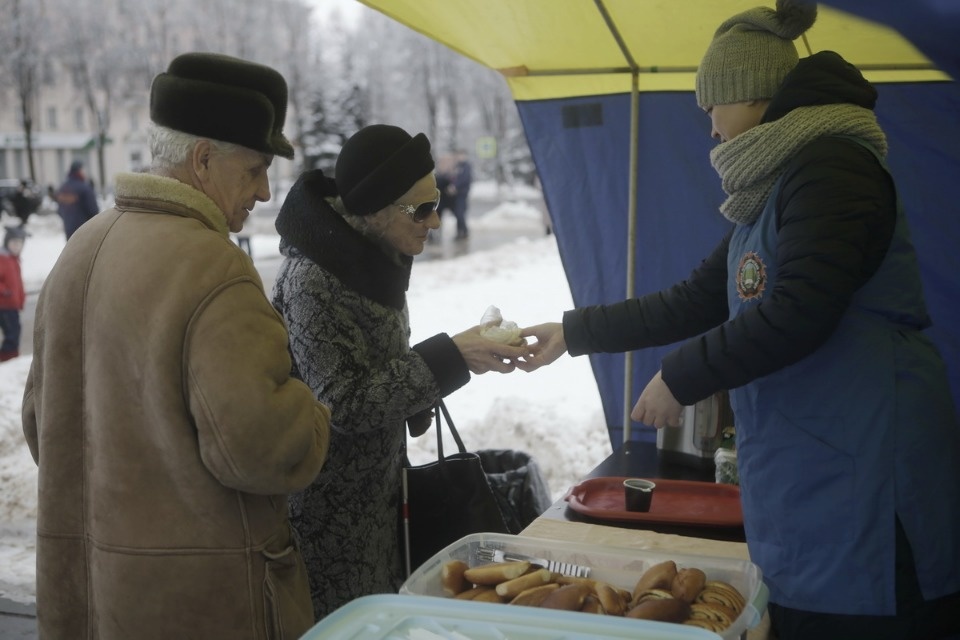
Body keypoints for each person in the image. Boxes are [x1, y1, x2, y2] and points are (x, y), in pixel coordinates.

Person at [517, 2, 960, 639]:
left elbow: (801, 309)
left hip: (868, 459)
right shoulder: (778, 187)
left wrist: (679, 377)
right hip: (813, 460)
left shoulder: (834, 168)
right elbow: (695, 298)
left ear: (751, 94)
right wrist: (573, 332)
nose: (711, 129)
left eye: (712, 107)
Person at [21, 52, 332, 640]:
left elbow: (43, 426)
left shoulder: (81, 247)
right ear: (203, 158)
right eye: (255, 169)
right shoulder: (214, 267)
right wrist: (313, 414)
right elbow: (262, 450)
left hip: (90, 597)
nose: (265, 192)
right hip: (202, 604)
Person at [271, 124, 530, 619]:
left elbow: (378, 360)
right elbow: (343, 404)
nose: (435, 221)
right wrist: (452, 357)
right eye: (421, 209)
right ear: (375, 210)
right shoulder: (313, 280)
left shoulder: (373, 255)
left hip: (379, 495)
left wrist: (440, 373)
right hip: (329, 517)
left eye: (437, 202)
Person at [0, 226, 27, 361]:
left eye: (19, 243)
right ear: (7, 242)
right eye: (14, 243)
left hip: (12, 305)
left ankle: (13, 356)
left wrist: (21, 298)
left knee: (16, 329)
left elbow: (18, 283)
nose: (16, 246)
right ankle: (7, 357)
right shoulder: (3, 259)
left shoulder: (14, 260)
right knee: (11, 332)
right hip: (3, 304)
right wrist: (5, 291)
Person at [55, 159, 99, 239]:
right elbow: (93, 211)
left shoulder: (62, 188)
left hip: (68, 231)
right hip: (84, 231)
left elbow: (59, 211)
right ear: (79, 171)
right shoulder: (84, 188)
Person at [441, 149, 472, 240]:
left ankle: (464, 232)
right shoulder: (457, 166)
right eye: (459, 155)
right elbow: (451, 177)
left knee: (460, 213)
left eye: (461, 155)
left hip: (462, 193)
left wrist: (455, 187)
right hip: (456, 194)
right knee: (458, 213)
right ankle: (460, 232)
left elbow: (464, 179)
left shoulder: (466, 166)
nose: (460, 157)